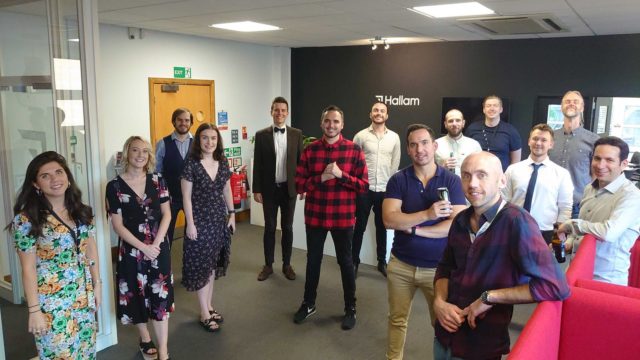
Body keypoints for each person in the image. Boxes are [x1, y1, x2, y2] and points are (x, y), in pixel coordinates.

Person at [433, 152, 570, 360]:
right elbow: (445, 267)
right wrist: (439, 302)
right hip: (445, 336)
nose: (473, 184)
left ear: (502, 180)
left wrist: (490, 297)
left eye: (482, 175)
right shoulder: (460, 220)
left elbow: (554, 286)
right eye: (466, 175)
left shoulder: (518, 222)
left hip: (481, 345)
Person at [382, 124, 466, 360]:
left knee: (441, 324)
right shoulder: (398, 180)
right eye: (414, 144)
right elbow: (389, 219)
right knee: (397, 320)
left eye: (425, 142)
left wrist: (414, 230)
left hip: (438, 270)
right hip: (401, 265)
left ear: (434, 145)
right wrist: (428, 215)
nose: (420, 149)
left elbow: (455, 225)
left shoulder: (451, 180)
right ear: (408, 149)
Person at [9, 151, 101, 359]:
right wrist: (34, 311)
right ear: (35, 184)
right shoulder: (27, 220)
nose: (54, 179)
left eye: (59, 172)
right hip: (52, 302)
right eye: (45, 176)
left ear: (67, 177)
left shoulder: (81, 211)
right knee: (60, 354)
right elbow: (28, 268)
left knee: (85, 352)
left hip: (83, 295)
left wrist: (98, 283)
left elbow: (90, 247)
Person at [293, 105, 368, 330]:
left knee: (345, 263)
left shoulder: (354, 150)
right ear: (321, 123)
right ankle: (308, 304)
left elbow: (363, 186)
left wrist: (341, 175)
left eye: (336, 122)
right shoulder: (310, 150)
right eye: (327, 121)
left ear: (342, 125)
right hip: (315, 216)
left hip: (343, 217)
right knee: (313, 261)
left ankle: (350, 308)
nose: (331, 125)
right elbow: (298, 185)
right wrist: (321, 178)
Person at [106, 136, 174, 360]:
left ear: (149, 156)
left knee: (160, 299)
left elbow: (167, 214)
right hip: (132, 251)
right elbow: (117, 225)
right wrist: (143, 248)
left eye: (145, 151)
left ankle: (163, 351)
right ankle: (145, 338)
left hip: (158, 248)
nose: (140, 155)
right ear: (127, 153)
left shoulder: (158, 180)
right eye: (135, 150)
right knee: (136, 296)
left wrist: (156, 244)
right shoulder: (114, 186)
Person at [558, 136, 640, 286]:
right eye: (597, 158)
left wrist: (572, 224)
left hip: (606, 279)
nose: (601, 165)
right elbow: (586, 228)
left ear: (624, 164)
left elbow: (608, 232)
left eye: (609, 160)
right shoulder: (590, 187)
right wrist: (570, 241)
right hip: (575, 271)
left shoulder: (632, 196)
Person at [181, 123, 235, 332]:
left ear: (217, 141)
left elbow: (227, 189)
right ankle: (204, 313)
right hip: (200, 222)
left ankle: (209, 306)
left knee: (212, 265)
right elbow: (186, 197)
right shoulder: (191, 164)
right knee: (202, 266)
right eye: (205, 138)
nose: (209, 142)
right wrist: (191, 224)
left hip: (218, 221)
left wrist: (232, 214)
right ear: (198, 140)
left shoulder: (222, 162)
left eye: (213, 138)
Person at [252, 97, 303, 281]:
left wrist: (302, 186)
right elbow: (257, 164)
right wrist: (256, 189)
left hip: (289, 189)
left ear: (287, 113)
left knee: (287, 228)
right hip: (269, 190)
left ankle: (287, 264)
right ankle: (268, 265)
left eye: (283, 110)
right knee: (270, 227)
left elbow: (301, 163)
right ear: (271, 111)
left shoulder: (296, 134)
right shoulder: (261, 135)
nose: (280, 113)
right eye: (276, 110)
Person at [352, 101, 401, 277]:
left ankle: (382, 262)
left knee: (382, 227)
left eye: (382, 111)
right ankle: (354, 261)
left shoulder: (394, 137)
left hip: (384, 190)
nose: (379, 113)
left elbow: (395, 164)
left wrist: (390, 186)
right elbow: (353, 162)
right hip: (364, 189)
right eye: (375, 110)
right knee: (359, 227)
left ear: (386, 115)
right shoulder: (360, 136)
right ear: (370, 114)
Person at [503, 124, 573, 244]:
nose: (538, 143)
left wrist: (557, 235)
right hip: (513, 228)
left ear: (551, 144)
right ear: (529, 141)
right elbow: (504, 200)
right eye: (535, 139)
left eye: (544, 140)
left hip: (545, 232)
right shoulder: (512, 170)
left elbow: (565, 207)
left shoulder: (562, 174)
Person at [548, 90, 600, 218]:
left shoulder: (593, 140)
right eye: (567, 101)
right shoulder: (550, 137)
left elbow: (596, 174)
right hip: (549, 201)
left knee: (574, 239)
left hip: (578, 205)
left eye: (575, 102)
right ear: (561, 107)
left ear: (582, 107)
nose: (571, 104)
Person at [156, 107, 194, 243]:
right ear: (173, 121)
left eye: (187, 120)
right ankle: (165, 262)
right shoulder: (162, 143)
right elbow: (157, 172)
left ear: (191, 123)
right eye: (179, 120)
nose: (183, 123)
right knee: (166, 232)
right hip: (170, 197)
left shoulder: (198, 143)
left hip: (193, 196)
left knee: (193, 232)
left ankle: (190, 262)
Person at [465, 95, 522, 171]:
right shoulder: (472, 129)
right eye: (488, 106)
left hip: (500, 177)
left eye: (495, 106)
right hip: (476, 175)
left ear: (501, 109)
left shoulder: (511, 131)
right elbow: (465, 152)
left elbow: (516, 162)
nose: (492, 108)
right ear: (484, 110)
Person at [435, 109, 482, 176]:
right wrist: (442, 168)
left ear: (463, 123)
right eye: (451, 121)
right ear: (445, 124)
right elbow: (427, 170)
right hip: (443, 184)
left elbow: (481, 169)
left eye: (458, 120)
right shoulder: (435, 145)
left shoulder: (474, 145)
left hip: (467, 185)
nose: (454, 124)